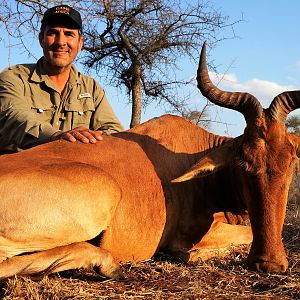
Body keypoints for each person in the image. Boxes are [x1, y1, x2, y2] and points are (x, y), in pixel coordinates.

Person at [0, 5, 124, 153]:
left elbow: (113, 132)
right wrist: (56, 136)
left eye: (69, 34)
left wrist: (91, 137)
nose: (60, 42)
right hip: (18, 170)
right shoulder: (14, 77)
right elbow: (14, 117)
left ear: (80, 43)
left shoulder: (91, 88)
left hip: (73, 171)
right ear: (41, 39)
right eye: (53, 33)